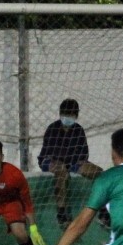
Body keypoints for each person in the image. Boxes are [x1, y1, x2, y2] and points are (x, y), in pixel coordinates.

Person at [37, 98, 103, 229]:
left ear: (76, 116)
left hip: (73, 162)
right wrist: (64, 162)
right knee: (61, 171)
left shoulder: (79, 130)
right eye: (65, 114)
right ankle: (61, 212)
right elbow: (51, 154)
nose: (68, 117)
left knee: (99, 173)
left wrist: (77, 164)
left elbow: (83, 154)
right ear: (60, 114)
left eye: (71, 115)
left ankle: (104, 210)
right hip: (51, 161)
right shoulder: (52, 129)